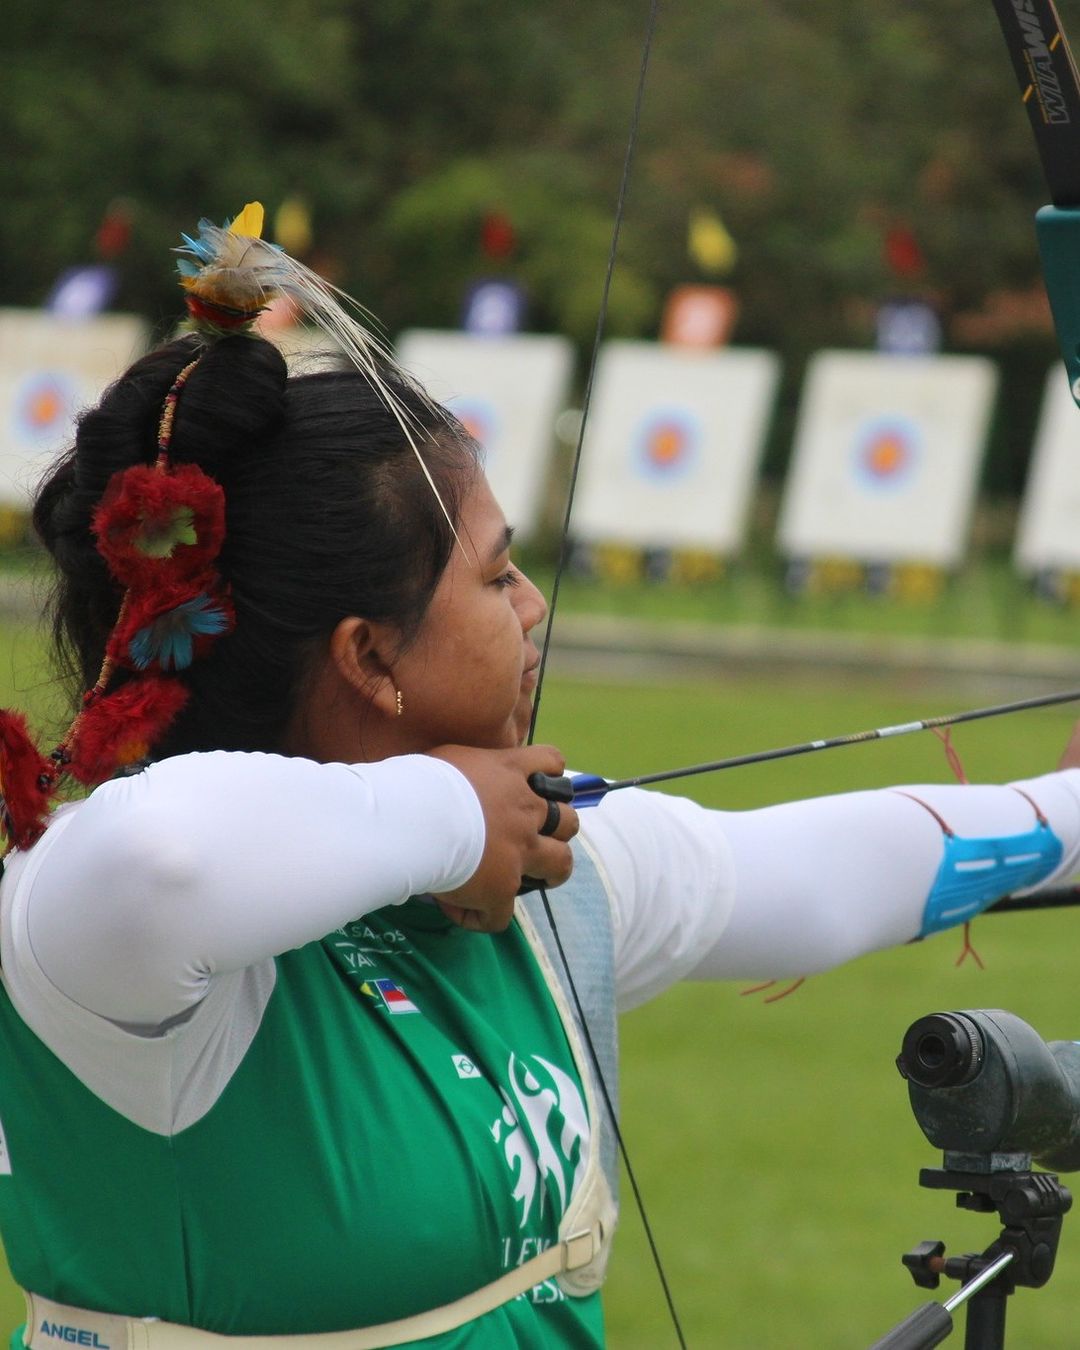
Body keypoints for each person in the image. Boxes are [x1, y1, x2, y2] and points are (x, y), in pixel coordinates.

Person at [2, 204, 1080, 1350]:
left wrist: (1065, 815)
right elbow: (158, 856)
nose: (533, 610)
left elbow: (815, 874)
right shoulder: (93, 928)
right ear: (370, 654)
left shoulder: (543, 866)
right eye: (500, 573)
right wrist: (457, 816)